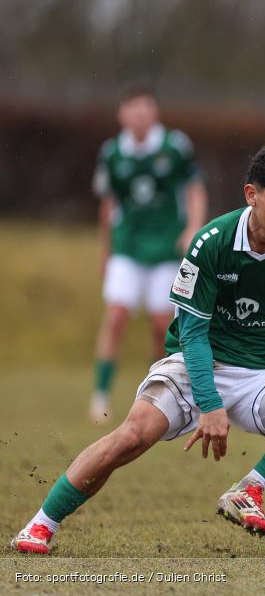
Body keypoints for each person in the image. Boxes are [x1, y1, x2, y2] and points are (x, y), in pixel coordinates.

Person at [12, 146, 265, 555]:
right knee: (132, 436)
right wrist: (209, 404)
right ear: (251, 195)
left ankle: (248, 491)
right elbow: (192, 333)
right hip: (197, 364)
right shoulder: (211, 242)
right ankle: (40, 524)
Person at [90, 84, 208, 424]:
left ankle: (159, 395)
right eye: (133, 109)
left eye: (145, 108)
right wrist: (106, 251)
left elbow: (195, 189)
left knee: (162, 327)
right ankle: (100, 396)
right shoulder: (112, 153)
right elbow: (108, 204)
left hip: (167, 250)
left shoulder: (175, 147)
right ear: (122, 114)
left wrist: (193, 228)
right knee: (115, 316)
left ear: (153, 112)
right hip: (128, 247)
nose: (139, 115)